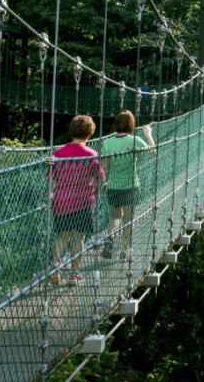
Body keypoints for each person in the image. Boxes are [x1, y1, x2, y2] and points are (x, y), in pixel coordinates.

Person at [46, 115, 103, 286]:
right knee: (78, 239)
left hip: (62, 201)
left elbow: (50, 179)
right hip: (83, 201)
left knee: (62, 236)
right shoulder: (91, 154)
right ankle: (74, 275)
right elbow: (99, 179)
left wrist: (50, 195)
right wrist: (96, 193)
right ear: (89, 133)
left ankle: (55, 266)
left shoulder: (58, 153)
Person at [100, 110, 154, 261]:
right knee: (128, 221)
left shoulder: (107, 142)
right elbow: (153, 152)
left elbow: (103, 166)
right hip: (131, 186)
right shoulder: (134, 140)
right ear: (131, 125)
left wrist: (104, 183)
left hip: (113, 186)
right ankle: (125, 251)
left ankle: (109, 238)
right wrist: (148, 134)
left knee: (114, 217)